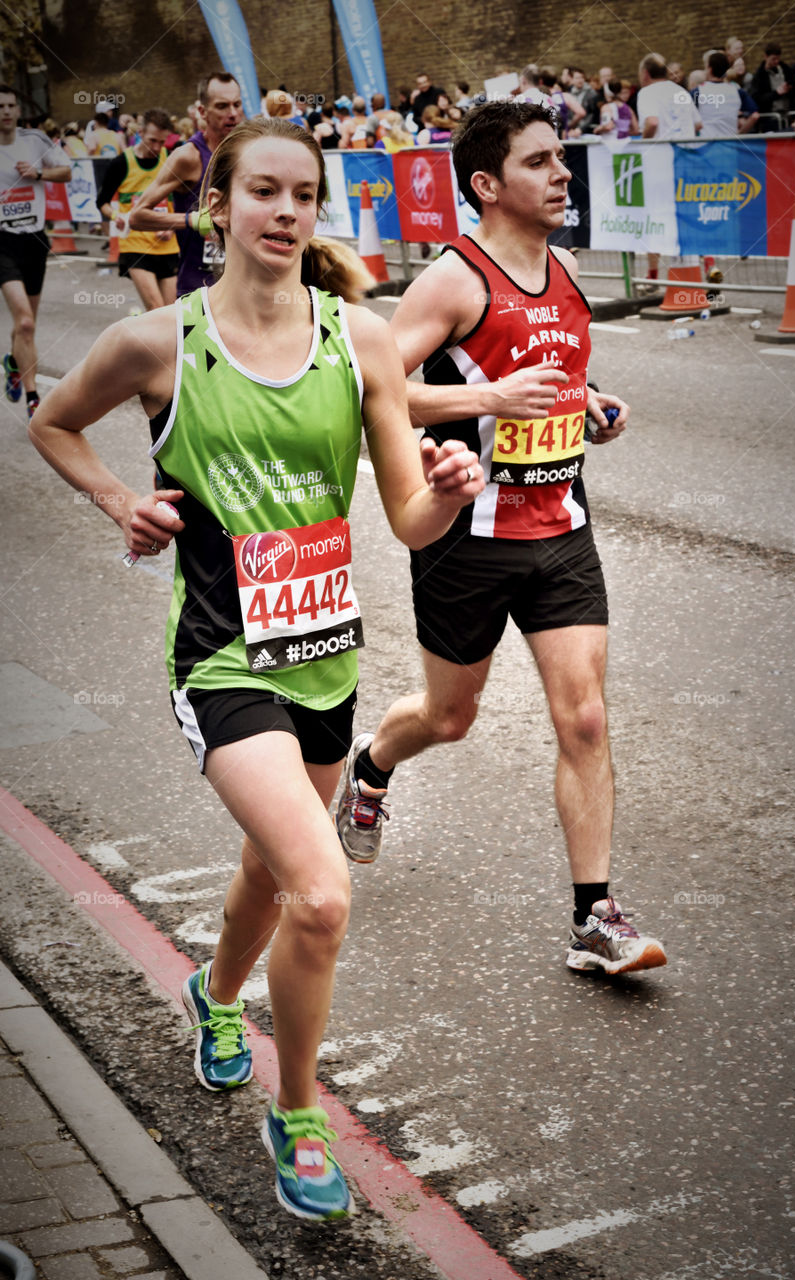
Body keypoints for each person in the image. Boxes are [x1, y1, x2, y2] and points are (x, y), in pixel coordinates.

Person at [29, 116, 483, 1219]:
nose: (285, 214)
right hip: (220, 654)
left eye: (304, 196)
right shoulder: (161, 344)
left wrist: (453, 488)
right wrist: (120, 500)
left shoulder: (361, 339)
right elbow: (53, 421)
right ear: (217, 206)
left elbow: (408, 519)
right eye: (264, 193)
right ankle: (297, 1115)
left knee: (265, 872)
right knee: (318, 891)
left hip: (323, 653)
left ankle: (215, 990)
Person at [335, 101, 667, 979]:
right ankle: (370, 767)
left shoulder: (563, 269)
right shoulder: (453, 280)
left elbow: (548, 375)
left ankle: (592, 918)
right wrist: (488, 401)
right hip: (466, 538)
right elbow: (375, 393)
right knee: (450, 717)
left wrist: (591, 404)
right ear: (488, 184)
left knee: (586, 718)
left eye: (564, 159)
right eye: (542, 162)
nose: (564, 174)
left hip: (561, 526)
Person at [128, 71, 243, 296]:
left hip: (241, 285)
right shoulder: (188, 157)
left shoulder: (247, 151)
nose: (232, 114)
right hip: (198, 287)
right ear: (202, 111)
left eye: (237, 105)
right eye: (221, 106)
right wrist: (192, 220)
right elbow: (137, 216)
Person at [0, 83, 71, 419]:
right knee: (25, 323)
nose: (7, 112)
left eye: (11, 106)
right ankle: (33, 398)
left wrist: (38, 172)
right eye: (1, 107)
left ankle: (14, 362)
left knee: (27, 324)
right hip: (3, 242)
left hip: (35, 240)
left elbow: (67, 171)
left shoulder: (35, 141)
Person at [96, 108, 180, 312]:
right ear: (140, 133)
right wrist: (118, 216)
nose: (157, 147)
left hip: (167, 244)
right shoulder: (121, 163)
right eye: (152, 140)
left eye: (162, 141)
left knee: (171, 314)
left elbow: (183, 201)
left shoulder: (171, 159)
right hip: (135, 245)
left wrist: (172, 227)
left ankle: (139, 332)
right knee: (156, 308)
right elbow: (102, 202)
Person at [637, 54, 701, 290]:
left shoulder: (647, 93)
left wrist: (643, 142)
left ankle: (653, 277)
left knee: (653, 217)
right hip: (686, 161)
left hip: (660, 164)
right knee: (687, 216)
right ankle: (706, 267)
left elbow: (652, 123)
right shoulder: (680, 91)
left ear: (645, 73)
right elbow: (698, 124)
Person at [693, 51, 759, 136]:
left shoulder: (698, 91)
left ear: (710, 69)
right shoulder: (737, 91)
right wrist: (740, 134)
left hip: (707, 145)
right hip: (730, 144)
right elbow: (755, 116)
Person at [750, 42, 795, 127]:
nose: (776, 61)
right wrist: (776, 93)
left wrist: (790, 88)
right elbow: (757, 98)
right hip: (770, 117)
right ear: (766, 56)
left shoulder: (785, 69)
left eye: (778, 59)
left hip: (787, 115)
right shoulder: (759, 76)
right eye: (773, 59)